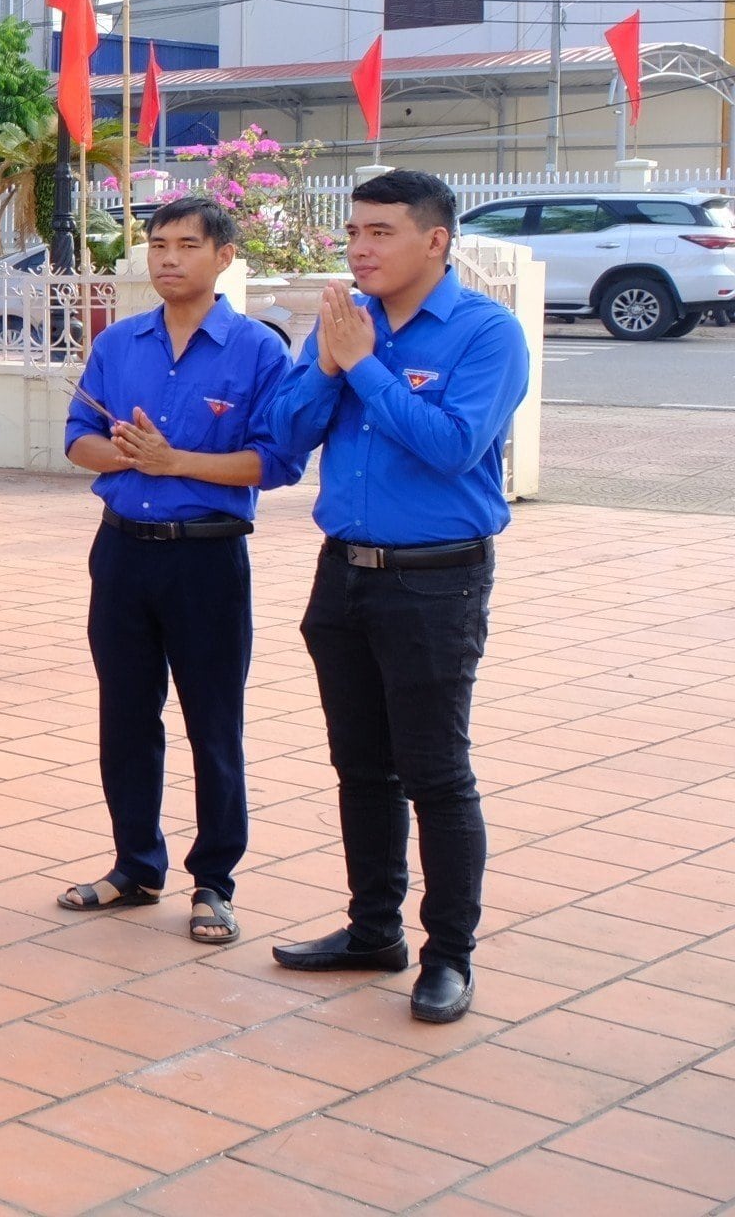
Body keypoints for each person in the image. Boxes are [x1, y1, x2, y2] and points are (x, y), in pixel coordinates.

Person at [263, 170, 528, 1026]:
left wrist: (365, 369)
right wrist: (336, 367)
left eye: (379, 232)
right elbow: (288, 436)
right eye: (353, 233)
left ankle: (448, 955)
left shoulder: (486, 335)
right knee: (360, 767)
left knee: (436, 774)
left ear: (435, 241)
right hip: (343, 575)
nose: (360, 249)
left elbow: (452, 447)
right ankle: (372, 929)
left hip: (435, 580)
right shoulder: (346, 324)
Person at [56, 197, 297, 946]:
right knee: (125, 715)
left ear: (223, 256)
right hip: (123, 550)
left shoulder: (257, 351)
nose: (167, 259)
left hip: (207, 558)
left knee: (211, 721)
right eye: (157, 245)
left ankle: (214, 882)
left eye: (186, 245)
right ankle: (135, 865)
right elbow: (77, 439)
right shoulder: (121, 342)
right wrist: (128, 456)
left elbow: (276, 462)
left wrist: (176, 461)